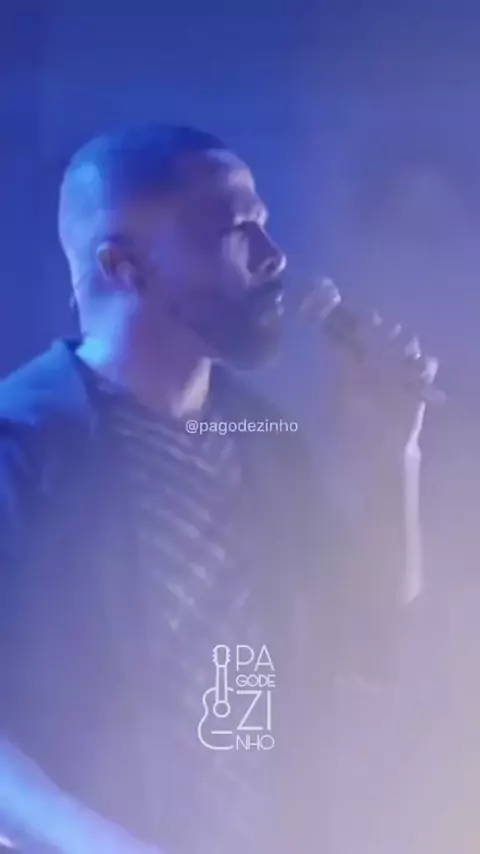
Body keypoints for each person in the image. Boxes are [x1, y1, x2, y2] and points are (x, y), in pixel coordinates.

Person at [0, 124, 436, 854]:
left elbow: (370, 641)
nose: (273, 256)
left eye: (263, 224)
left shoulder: (262, 441)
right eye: (234, 232)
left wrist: (396, 451)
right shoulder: (21, 444)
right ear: (125, 267)